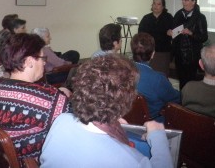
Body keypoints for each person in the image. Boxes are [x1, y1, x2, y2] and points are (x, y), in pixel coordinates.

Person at [40, 54, 173, 168]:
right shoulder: (130, 161)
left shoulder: (61, 121)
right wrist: (158, 137)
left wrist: (114, 122)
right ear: (126, 102)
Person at [0, 33, 72, 164]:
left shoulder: (0, 88)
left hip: (13, 159)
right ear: (29, 61)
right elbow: (78, 125)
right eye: (42, 58)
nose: (44, 63)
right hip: (34, 162)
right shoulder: (47, 98)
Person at [131, 33, 180, 122]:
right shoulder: (158, 79)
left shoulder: (119, 71)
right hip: (154, 123)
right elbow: (176, 99)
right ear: (153, 54)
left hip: (128, 119)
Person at [170, 0, 208, 89]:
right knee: (181, 79)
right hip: (179, 53)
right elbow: (174, 31)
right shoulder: (178, 14)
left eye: (186, 0)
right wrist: (170, 32)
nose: (183, 2)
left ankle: (190, 99)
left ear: (194, 1)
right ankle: (182, 99)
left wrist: (191, 33)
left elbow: (204, 37)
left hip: (192, 55)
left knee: (190, 80)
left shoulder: (200, 17)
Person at [138, 0, 173, 76]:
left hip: (163, 51)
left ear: (163, 6)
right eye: (154, 3)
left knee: (162, 74)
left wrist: (170, 32)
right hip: (148, 50)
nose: (155, 6)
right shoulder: (146, 18)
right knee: (149, 73)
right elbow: (140, 34)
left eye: (158, 4)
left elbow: (174, 32)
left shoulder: (168, 17)